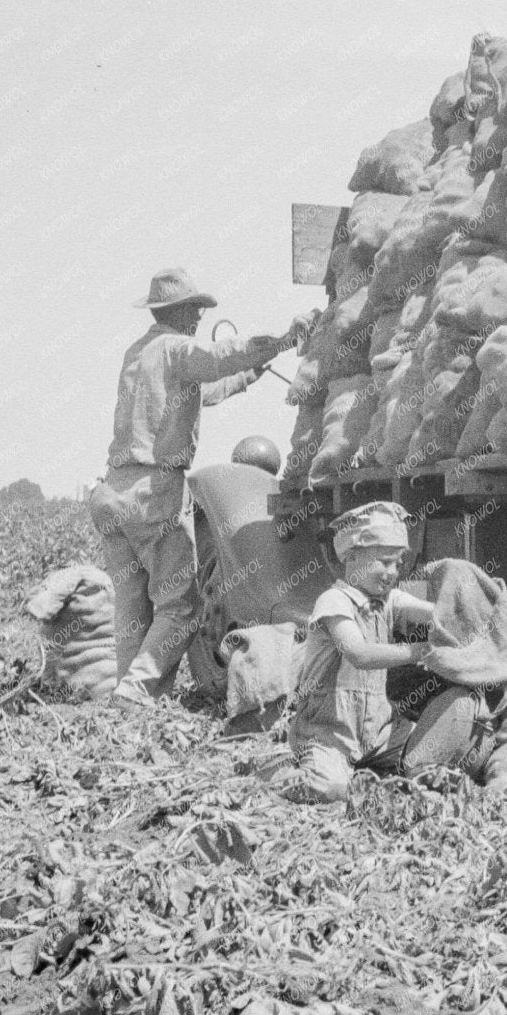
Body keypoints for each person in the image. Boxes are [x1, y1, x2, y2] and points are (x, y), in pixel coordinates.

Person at [88, 268, 290, 700]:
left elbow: (206, 387)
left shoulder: (139, 353)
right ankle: (135, 691)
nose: (199, 317)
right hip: (152, 491)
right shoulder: (177, 347)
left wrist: (249, 376)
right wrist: (280, 340)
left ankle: (128, 705)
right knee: (181, 608)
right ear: (177, 312)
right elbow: (219, 357)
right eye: (195, 310)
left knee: (133, 610)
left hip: (113, 491)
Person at [288, 503, 438, 802]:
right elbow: (359, 654)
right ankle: (281, 773)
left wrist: (464, 606)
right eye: (383, 562)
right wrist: (418, 650)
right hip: (328, 733)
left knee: (431, 757)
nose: (392, 572)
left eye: (398, 563)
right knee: (330, 789)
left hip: (379, 733)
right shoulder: (334, 601)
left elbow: (434, 613)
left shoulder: (389, 600)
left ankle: (375, 763)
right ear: (352, 557)